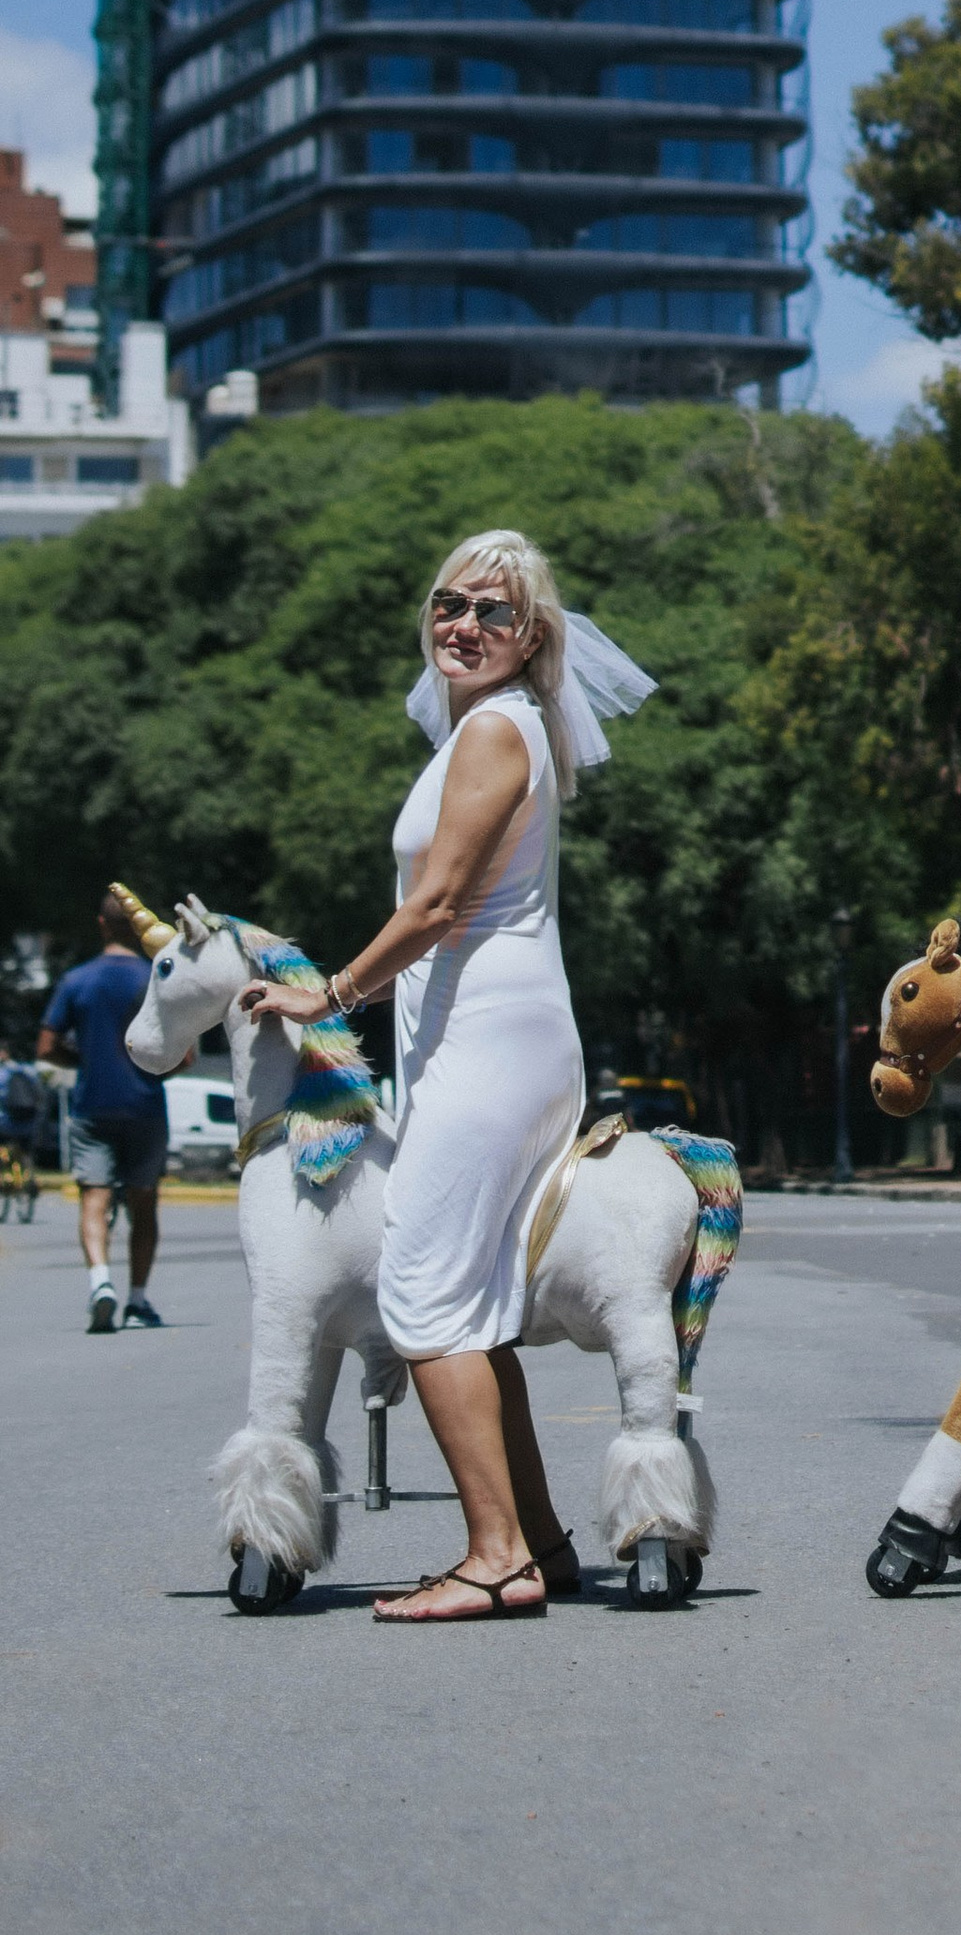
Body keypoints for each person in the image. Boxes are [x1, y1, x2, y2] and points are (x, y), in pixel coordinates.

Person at [238, 528, 655, 1625]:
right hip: (486, 1038)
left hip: (489, 1042)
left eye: (494, 613)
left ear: (531, 641)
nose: (463, 625)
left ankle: (493, 1555)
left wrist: (324, 995)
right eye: (448, 605)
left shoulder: (493, 736)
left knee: (421, 1295)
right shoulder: (491, 727)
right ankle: (543, 1542)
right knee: (469, 1301)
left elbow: (436, 909)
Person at [39, 892, 169, 1331]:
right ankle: (138, 1299)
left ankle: (100, 1282)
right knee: (143, 1203)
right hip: (146, 1106)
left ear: (100, 924)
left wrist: (87, 1060)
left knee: (94, 1197)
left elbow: (47, 1047)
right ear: (136, 928)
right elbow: (182, 1056)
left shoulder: (77, 980)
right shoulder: (155, 977)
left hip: (92, 1106)